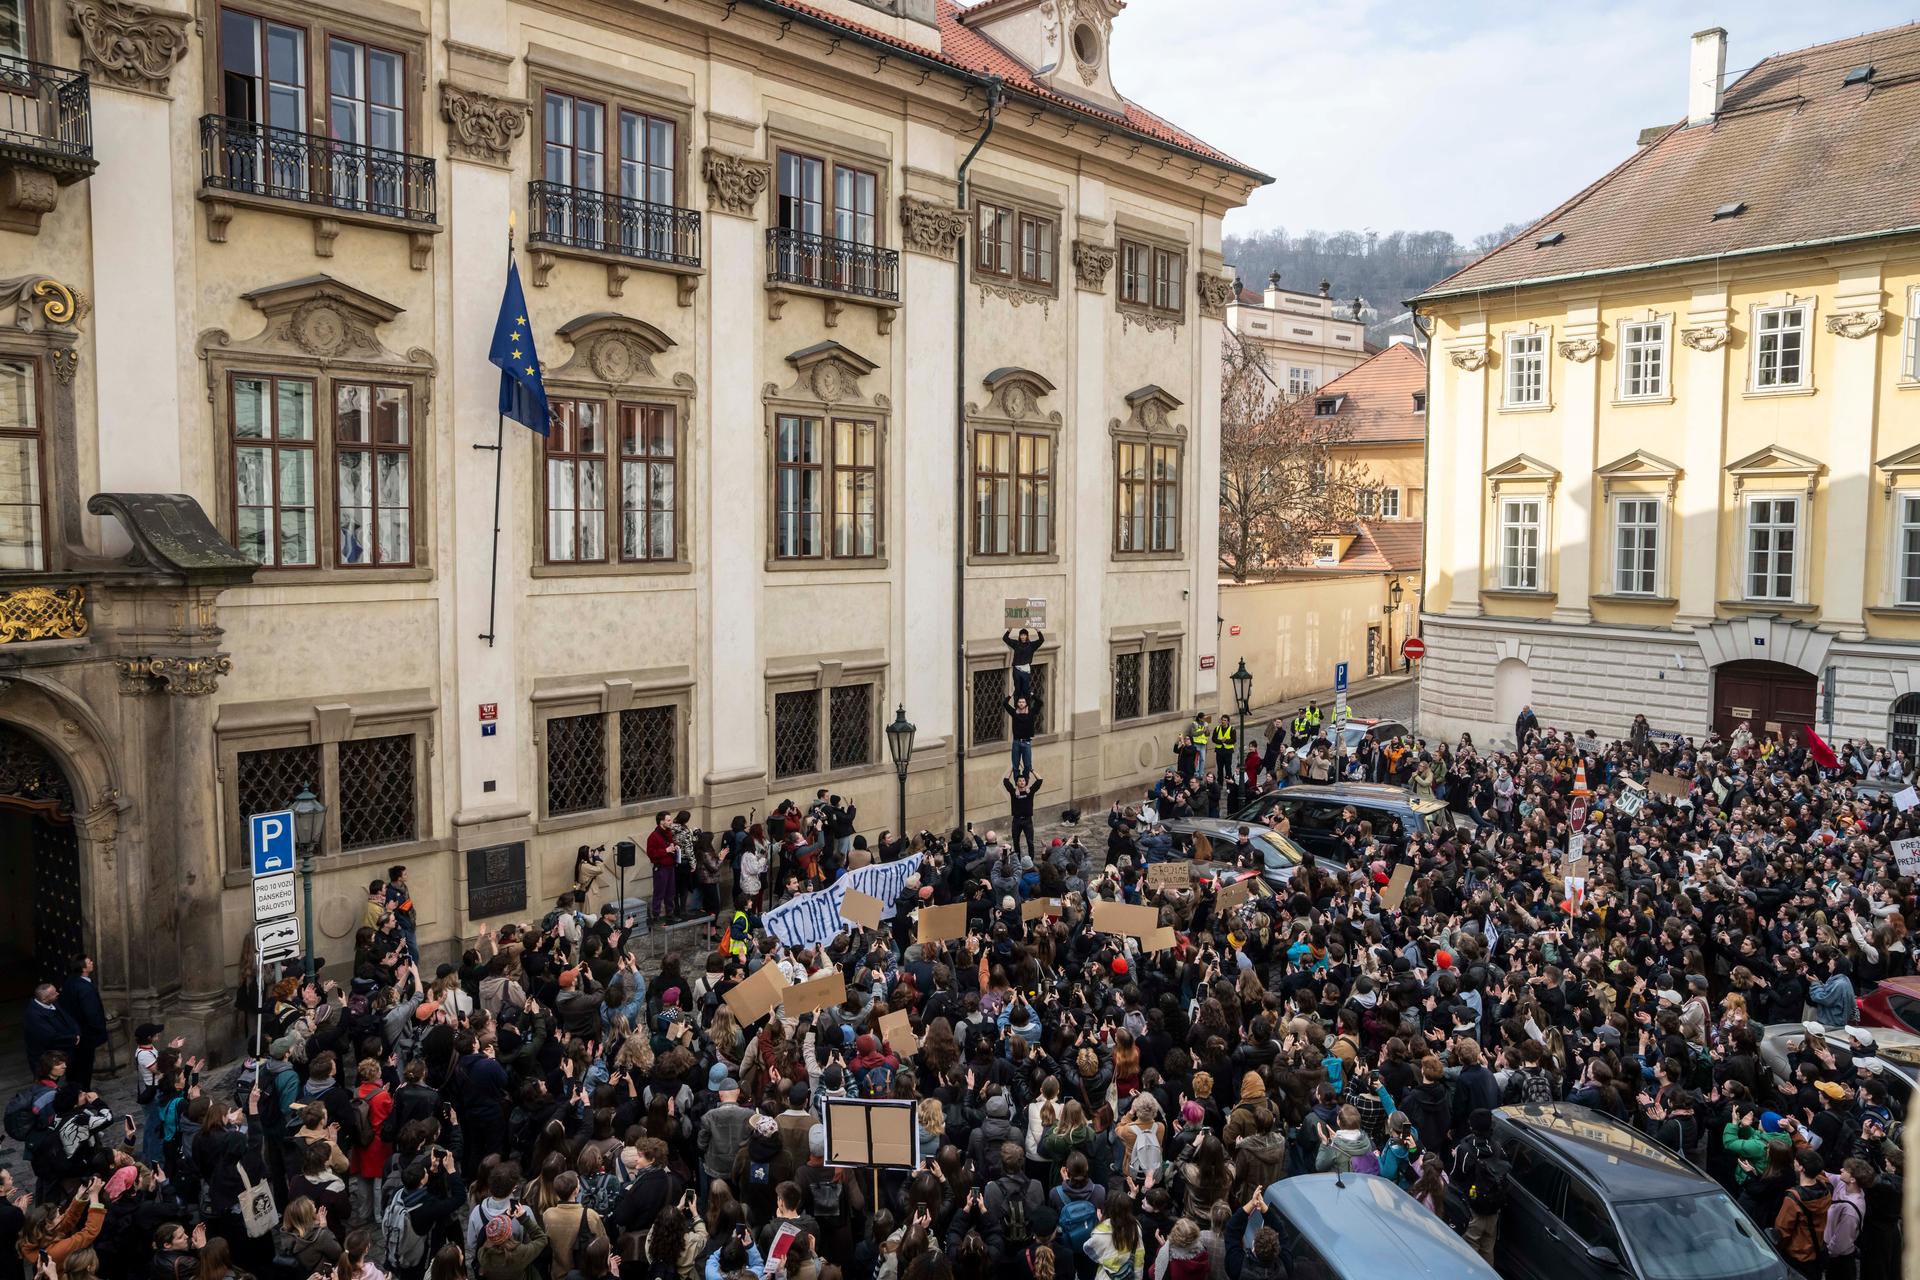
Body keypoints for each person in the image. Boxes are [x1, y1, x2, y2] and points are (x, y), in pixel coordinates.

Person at [57, 957, 107, 1090]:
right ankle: (82, 1093)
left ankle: (74, 1089)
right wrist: (99, 1029)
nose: (92, 963)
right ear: (83, 968)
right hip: (86, 1033)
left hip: (74, 1031)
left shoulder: (70, 982)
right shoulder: (84, 988)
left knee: (75, 1065)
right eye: (89, 962)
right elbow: (91, 1013)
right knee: (84, 1066)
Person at [22, 983, 79, 1077]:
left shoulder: (52, 1002)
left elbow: (68, 1019)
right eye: (54, 993)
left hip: (65, 1052)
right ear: (44, 999)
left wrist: (77, 1032)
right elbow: (50, 1037)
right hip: (49, 1061)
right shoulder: (34, 1016)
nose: (58, 993)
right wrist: (73, 1038)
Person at [646, 812, 676, 924]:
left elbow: (670, 845)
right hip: (661, 868)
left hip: (670, 867)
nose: (671, 822)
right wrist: (665, 851)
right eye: (668, 820)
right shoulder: (653, 836)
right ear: (661, 822)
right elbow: (651, 853)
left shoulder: (668, 833)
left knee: (670, 891)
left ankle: (670, 913)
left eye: (670, 820)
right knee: (659, 892)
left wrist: (675, 846)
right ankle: (656, 915)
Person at [1005, 772, 1043, 861]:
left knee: (1030, 842)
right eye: (1019, 781)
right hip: (1017, 820)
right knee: (1016, 841)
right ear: (1016, 783)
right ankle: (1017, 860)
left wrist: (1031, 770)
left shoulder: (1030, 791)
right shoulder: (1013, 792)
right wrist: (1013, 768)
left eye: (1023, 780)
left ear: (1025, 782)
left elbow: (1040, 780)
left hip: (1027, 821)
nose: (1022, 782)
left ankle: (1031, 861)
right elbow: (1006, 781)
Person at [1003, 627, 1044, 699]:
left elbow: (1041, 640)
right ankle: (1017, 706)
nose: (1023, 637)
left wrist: (1038, 630)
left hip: (1026, 670)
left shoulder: (1031, 645)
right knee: (1017, 689)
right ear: (1019, 636)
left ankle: (1026, 706)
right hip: (1017, 669)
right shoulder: (1016, 644)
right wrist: (1009, 630)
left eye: (1024, 635)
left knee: (1025, 689)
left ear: (1027, 636)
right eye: (1021, 635)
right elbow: (1005, 638)